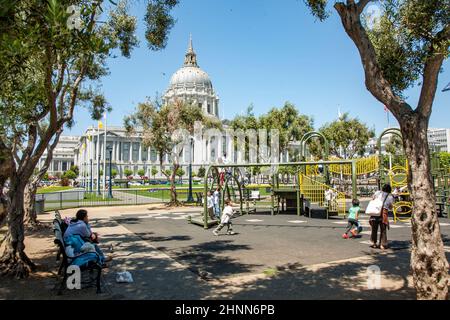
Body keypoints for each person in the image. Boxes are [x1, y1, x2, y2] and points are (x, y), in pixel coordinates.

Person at [369, 184, 394, 250]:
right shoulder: (390, 196)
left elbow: (372, 199)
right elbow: (390, 207)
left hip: (375, 212)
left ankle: (374, 243)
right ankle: (382, 245)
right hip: (383, 213)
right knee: (383, 230)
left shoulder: (377, 192)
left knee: (374, 229)